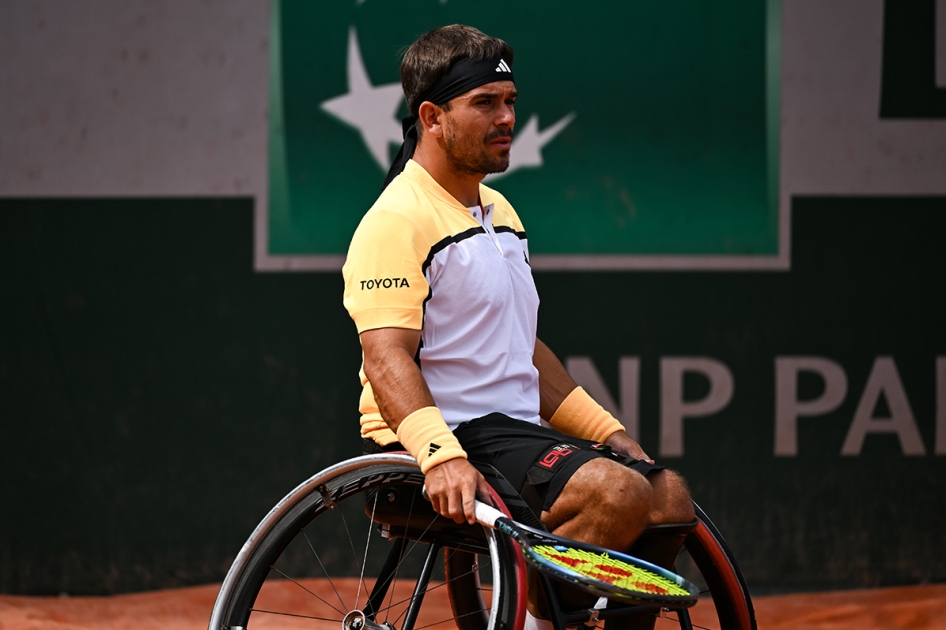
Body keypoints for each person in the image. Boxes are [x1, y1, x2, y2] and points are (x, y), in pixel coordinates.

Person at [342, 24, 694, 628]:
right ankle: (543, 621)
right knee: (616, 494)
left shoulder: (500, 212)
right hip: (442, 436)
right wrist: (439, 456)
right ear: (432, 116)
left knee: (668, 497)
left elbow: (518, 346)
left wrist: (606, 431)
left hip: (511, 434)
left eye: (510, 103)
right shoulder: (396, 219)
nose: (507, 118)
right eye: (485, 104)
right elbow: (385, 358)